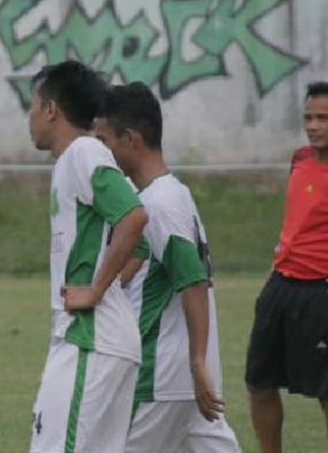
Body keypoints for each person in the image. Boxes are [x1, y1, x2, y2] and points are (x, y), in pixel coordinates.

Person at [93, 82, 240, 453]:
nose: (101, 152)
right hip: (184, 381)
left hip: (162, 377)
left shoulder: (161, 204)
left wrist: (196, 360)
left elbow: (191, 280)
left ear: (130, 138)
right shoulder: (168, 194)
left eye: (104, 140)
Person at [27, 60, 148, 453]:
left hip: (90, 340)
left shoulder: (83, 152)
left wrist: (96, 291)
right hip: (98, 339)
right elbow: (138, 249)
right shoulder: (75, 160)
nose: (29, 117)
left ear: (50, 110)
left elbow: (134, 216)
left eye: (32, 106)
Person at [245, 81, 328, 453]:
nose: (313, 125)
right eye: (308, 117)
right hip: (281, 284)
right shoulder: (299, 159)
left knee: (325, 391)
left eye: (323, 118)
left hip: (321, 290)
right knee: (258, 382)